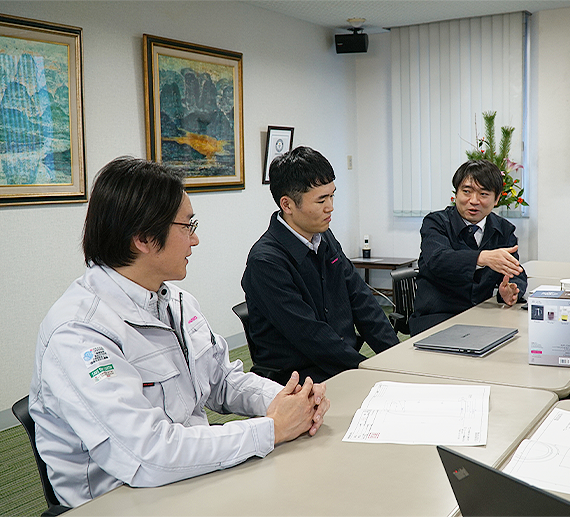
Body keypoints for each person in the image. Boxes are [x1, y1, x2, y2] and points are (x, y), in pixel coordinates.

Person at [28, 157, 329, 509]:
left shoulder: (176, 302)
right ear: (143, 238)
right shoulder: (79, 332)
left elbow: (221, 380)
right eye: (187, 226)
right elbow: (148, 455)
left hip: (189, 477)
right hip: (123, 501)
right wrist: (271, 430)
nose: (195, 239)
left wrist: (289, 400)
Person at [241, 146, 399, 385]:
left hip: (338, 364)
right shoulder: (266, 262)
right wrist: (363, 370)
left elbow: (361, 299)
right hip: (298, 379)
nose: (330, 207)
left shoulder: (323, 236)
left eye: (332, 196)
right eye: (321, 200)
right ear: (287, 205)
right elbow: (310, 335)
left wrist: (394, 358)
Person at [408, 159, 527, 336]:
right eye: (466, 191)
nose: (474, 201)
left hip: (481, 314)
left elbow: (515, 271)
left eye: (484, 194)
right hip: (436, 317)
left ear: (496, 199)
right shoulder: (436, 222)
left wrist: (511, 291)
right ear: (456, 194)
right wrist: (481, 258)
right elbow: (437, 259)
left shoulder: (503, 229)